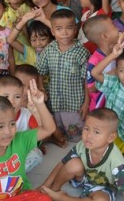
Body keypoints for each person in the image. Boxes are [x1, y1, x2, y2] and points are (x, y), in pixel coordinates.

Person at [40, 108, 124, 201]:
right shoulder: (82, 145)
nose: (89, 135)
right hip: (83, 178)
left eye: (96, 132)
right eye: (86, 128)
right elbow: (62, 163)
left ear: (111, 137)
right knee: (73, 164)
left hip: (103, 189)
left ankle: (62, 198)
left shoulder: (117, 162)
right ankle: (54, 190)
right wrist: (44, 186)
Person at [36, 8, 90, 142]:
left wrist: (86, 102)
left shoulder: (81, 52)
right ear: (53, 31)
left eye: (69, 28)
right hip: (54, 102)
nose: (64, 33)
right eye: (59, 29)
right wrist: (41, 88)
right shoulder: (49, 49)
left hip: (74, 104)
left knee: (76, 137)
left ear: (76, 29)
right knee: (57, 132)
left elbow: (87, 80)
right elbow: (40, 72)